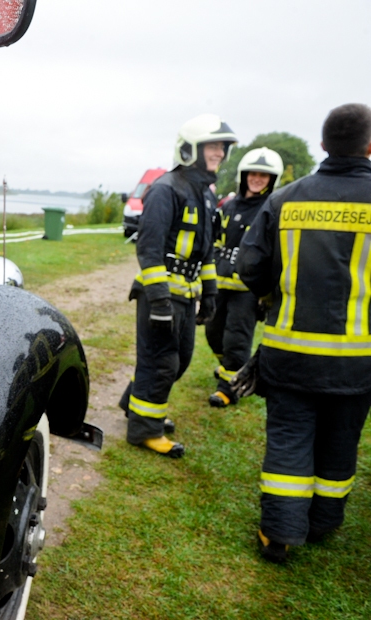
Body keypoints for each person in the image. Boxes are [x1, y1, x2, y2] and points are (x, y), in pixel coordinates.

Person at [236, 103, 371, 563]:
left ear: (323, 145)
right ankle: (325, 522)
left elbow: (249, 267)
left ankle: (280, 535)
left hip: (288, 352)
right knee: (341, 437)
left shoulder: (285, 198)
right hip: (359, 361)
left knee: (290, 439)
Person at [118, 114, 237, 458]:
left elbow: (207, 251)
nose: (219, 153)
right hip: (161, 294)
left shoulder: (206, 194)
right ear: (190, 149)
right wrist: (158, 302)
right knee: (161, 362)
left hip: (187, 294)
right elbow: (149, 248)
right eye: (212, 145)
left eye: (222, 147)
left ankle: (136, 404)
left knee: (181, 359)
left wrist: (211, 292)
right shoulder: (165, 189)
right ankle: (145, 430)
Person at [205, 147, 284, 407]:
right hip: (220, 284)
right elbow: (215, 240)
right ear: (244, 175)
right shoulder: (229, 205)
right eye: (253, 174)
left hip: (247, 290)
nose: (257, 179)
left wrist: (267, 291)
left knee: (237, 337)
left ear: (272, 180)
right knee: (213, 332)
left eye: (264, 175)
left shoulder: (271, 208)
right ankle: (229, 366)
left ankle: (229, 389)